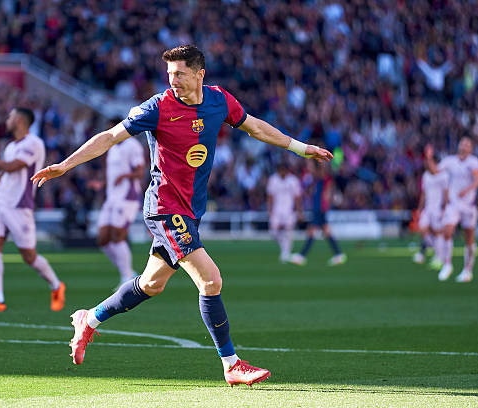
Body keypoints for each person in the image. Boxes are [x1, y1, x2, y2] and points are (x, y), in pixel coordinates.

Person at [31, 45, 332, 386]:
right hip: (165, 208)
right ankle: (231, 364)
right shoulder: (157, 107)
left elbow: (256, 128)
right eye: (169, 74)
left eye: (180, 74)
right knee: (211, 280)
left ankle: (89, 319)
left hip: (191, 211)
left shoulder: (219, 100)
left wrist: (301, 148)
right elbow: (111, 136)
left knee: (151, 284)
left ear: (200, 74)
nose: (172, 80)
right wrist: (65, 165)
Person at [0, 107, 66, 312]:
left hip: (19, 205)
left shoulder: (34, 143)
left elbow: (12, 167)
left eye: (11, 116)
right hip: (0, 202)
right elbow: (3, 176)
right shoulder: (10, 147)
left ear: (20, 120)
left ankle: (56, 285)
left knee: (29, 256)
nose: (7, 120)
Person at [96, 121, 146, 289]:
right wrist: (102, 184)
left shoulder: (132, 145)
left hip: (127, 197)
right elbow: (112, 174)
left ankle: (126, 276)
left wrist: (125, 176)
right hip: (112, 198)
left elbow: (140, 171)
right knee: (103, 239)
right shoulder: (113, 147)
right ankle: (129, 273)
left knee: (118, 236)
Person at [437, 137, 478, 282]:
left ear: (471, 148)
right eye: (462, 143)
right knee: (447, 231)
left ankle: (467, 270)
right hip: (453, 204)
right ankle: (447, 264)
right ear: (459, 146)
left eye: (467, 144)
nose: (464, 146)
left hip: (468, 205)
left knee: (469, 239)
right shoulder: (450, 161)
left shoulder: (473, 162)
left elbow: (477, 180)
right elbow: (436, 171)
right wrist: (428, 158)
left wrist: (467, 190)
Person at [290, 161, 346, 266]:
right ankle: (338, 254)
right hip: (318, 207)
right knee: (326, 231)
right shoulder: (319, 180)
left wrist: (312, 160)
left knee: (312, 231)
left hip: (320, 208)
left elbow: (326, 191)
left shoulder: (325, 179)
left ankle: (302, 256)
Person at [413, 145, 449, 269]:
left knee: (438, 233)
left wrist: (444, 209)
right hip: (428, 208)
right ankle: (434, 249)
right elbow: (423, 193)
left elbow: (446, 194)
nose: (426, 163)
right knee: (422, 228)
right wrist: (419, 208)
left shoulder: (443, 176)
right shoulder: (426, 176)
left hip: (438, 208)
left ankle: (439, 258)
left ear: (435, 162)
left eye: (429, 161)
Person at [266, 163, 302, 263]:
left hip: (289, 210)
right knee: (273, 232)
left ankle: (285, 253)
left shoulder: (293, 180)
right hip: (276, 210)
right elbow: (270, 196)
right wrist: (269, 210)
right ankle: (284, 249)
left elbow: (297, 197)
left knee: (288, 232)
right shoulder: (273, 180)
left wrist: (299, 211)